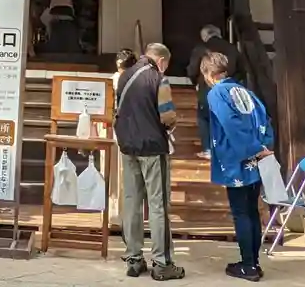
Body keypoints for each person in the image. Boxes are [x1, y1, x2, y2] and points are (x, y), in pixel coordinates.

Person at [201, 51, 276, 282]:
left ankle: (248, 266)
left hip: (237, 159)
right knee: (252, 211)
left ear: (208, 74)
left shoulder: (217, 93)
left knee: (241, 213)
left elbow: (230, 123)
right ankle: (253, 262)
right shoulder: (246, 92)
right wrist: (264, 146)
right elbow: (265, 120)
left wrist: (252, 148)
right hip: (257, 157)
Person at [114, 42, 185, 281]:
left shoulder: (124, 76)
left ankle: (133, 259)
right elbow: (167, 116)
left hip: (127, 147)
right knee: (158, 205)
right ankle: (162, 263)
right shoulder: (158, 79)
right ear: (162, 61)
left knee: (131, 202)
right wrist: (173, 123)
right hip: (153, 148)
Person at [186, 25, 242, 159]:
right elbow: (242, 69)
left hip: (207, 87)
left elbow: (192, 70)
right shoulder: (232, 48)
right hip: (228, 88)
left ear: (205, 36)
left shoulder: (201, 49)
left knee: (204, 117)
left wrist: (196, 83)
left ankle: (208, 149)